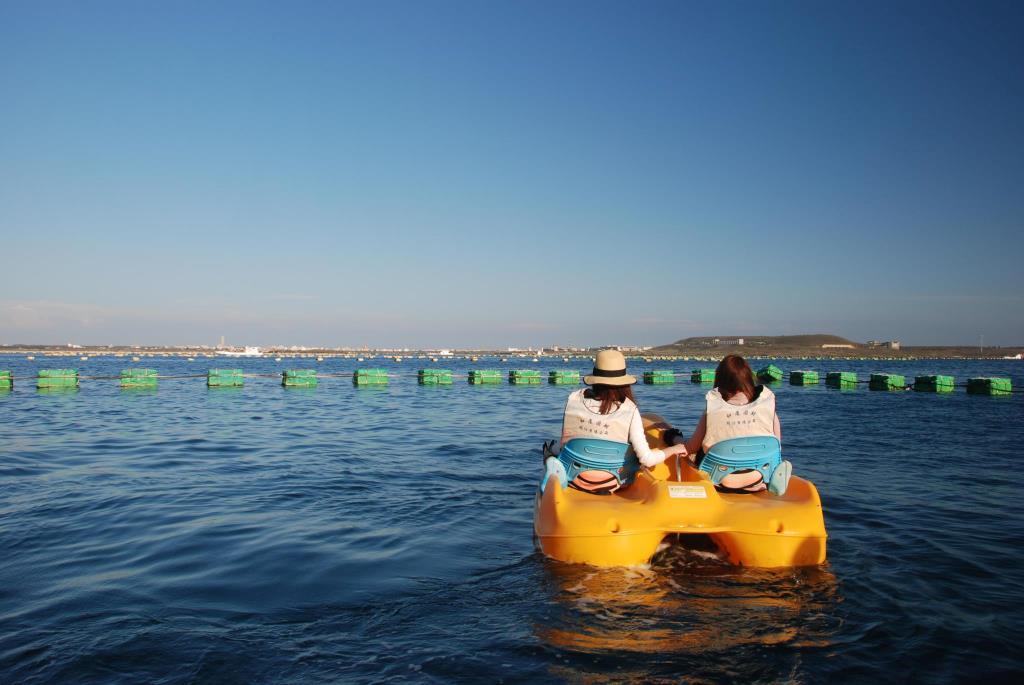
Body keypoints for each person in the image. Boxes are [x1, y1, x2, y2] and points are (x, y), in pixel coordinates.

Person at [548, 349, 688, 494]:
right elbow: (647, 459)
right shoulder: (630, 410)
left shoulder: (574, 399)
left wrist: (551, 450)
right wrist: (675, 449)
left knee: (553, 449)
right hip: (612, 483)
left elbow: (565, 444)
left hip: (574, 479)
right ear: (624, 382)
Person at [669, 354, 791, 494]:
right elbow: (776, 447)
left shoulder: (713, 410)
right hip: (757, 479)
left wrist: (673, 438)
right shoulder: (768, 408)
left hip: (720, 482)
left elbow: (691, 447)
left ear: (720, 380)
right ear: (748, 378)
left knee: (697, 452)